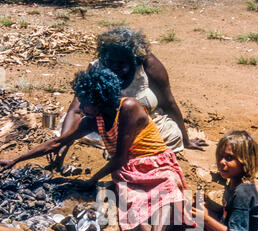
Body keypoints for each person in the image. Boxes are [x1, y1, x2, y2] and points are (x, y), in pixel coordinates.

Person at [0, 65, 194, 231]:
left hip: (156, 163)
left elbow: (119, 157)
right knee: (134, 202)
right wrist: (16, 159)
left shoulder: (128, 107)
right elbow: (57, 143)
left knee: (168, 190)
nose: (81, 108)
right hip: (129, 171)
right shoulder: (93, 121)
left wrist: (90, 181)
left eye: (85, 103)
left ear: (99, 99)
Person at [51, 26, 207, 170]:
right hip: (104, 129)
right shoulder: (97, 67)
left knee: (173, 134)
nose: (115, 67)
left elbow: (169, 103)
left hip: (143, 130)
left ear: (134, 59)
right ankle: (115, 149)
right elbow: (76, 110)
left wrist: (186, 141)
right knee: (65, 125)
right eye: (110, 62)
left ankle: (117, 151)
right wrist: (63, 144)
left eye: (121, 63)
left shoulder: (149, 66)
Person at [144, 130, 258, 231]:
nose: (222, 162)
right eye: (220, 157)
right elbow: (232, 214)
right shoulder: (235, 182)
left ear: (245, 161)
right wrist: (209, 206)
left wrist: (207, 218)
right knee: (197, 207)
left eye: (229, 158)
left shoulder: (243, 193)